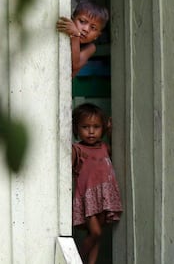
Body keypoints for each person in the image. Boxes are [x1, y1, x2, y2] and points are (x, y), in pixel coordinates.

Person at [72, 103, 122, 264]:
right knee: (96, 233)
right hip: (88, 197)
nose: (91, 131)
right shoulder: (77, 149)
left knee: (95, 235)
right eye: (85, 127)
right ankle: (75, 259)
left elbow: (117, 149)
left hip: (103, 196)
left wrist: (110, 131)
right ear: (77, 128)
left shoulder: (104, 148)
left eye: (96, 127)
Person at [56, 0, 109, 78]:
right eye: (82, 21)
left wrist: (75, 36)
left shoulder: (91, 48)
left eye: (93, 28)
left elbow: (75, 65)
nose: (86, 29)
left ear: (97, 36)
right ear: (72, 19)